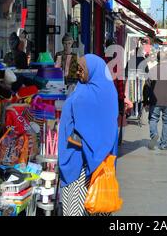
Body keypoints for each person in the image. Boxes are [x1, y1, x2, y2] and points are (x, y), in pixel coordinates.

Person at [58, 54, 119, 216]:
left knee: (75, 209)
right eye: (78, 69)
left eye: (82, 69)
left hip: (79, 164)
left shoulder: (83, 95)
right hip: (102, 164)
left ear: (93, 70)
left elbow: (77, 127)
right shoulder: (109, 90)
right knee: (99, 207)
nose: (79, 73)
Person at [143, 51, 167, 150]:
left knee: (153, 119)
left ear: (157, 59)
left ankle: (154, 135)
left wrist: (145, 101)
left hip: (154, 101)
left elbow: (146, 87)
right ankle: (163, 144)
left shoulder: (152, 70)